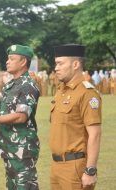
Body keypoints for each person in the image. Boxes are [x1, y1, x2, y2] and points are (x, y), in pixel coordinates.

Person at [0, 44, 40, 190]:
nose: (7, 61)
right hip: (9, 147)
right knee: (11, 186)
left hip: (23, 149)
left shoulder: (27, 85)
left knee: (25, 186)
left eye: (11, 58)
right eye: (8, 59)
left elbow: (20, 117)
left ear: (23, 61)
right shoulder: (10, 85)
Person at [49, 44, 102, 190]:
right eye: (56, 64)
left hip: (75, 167)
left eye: (60, 63)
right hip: (56, 165)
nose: (56, 68)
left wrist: (90, 170)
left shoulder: (87, 93)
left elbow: (95, 134)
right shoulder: (61, 91)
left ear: (76, 64)